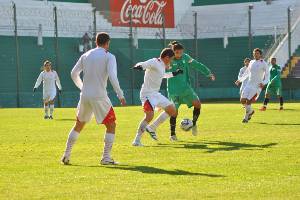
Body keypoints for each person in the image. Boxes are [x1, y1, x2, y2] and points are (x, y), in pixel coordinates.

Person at [61, 32, 126, 165]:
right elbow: (113, 77)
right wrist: (120, 94)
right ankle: (106, 157)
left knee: (79, 125)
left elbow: (73, 73)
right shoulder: (109, 56)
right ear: (107, 43)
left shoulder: (86, 55)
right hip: (99, 96)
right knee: (111, 125)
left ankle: (66, 155)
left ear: (96, 42)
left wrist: (82, 87)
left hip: (85, 96)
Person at [148, 41, 215, 141]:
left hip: (186, 88)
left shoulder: (186, 57)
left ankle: (194, 124)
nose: (179, 54)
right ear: (173, 52)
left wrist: (208, 73)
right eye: (177, 52)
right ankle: (172, 135)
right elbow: (161, 72)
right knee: (173, 112)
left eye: (181, 52)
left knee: (197, 104)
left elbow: (197, 64)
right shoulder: (168, 59)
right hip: (173, 90)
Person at [132, 48, 183, 146]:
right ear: (167, 57)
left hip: (155, 94)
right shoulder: (155, 61)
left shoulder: (162, 65)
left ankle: (152, 128)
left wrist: (175, 73)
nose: (171, 61)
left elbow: (162, 75)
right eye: (171, 59)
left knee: (172, 110)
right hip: (147, 94)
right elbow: (144, 64)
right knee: (149, 116)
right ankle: (136, 141)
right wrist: (139, 66)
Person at [236, 48, 270, 123]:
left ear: (260, 54)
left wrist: (264, 83)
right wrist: (240, 80)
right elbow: (247, 72)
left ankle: (245, 118)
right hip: (249, 84)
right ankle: (251, 111)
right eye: (254, 53)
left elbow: (268, 76)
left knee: (248, 102)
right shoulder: (251, 62)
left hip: (256, 86)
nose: (255, 54)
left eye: (257, 53)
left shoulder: (264, 63)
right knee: (242, 100)